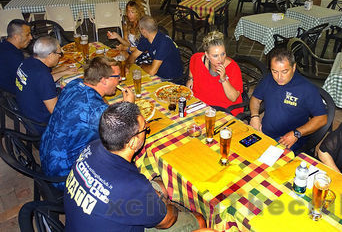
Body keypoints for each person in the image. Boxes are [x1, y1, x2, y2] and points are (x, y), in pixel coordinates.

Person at [64, 102, 206, 231]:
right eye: (145, 129)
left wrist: (151, 200)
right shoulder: (131, 185)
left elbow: (132, 192)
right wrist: (170, 207)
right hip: (125, 207)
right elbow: (166, 221)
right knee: (198, 220)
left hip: (88, 221)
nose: (146, 131)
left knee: (162, 186)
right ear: (132, 143)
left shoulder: (92, 147)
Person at [40, 56, 134, 189]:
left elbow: (95, 105)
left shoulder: (74, 84)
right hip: (64, 174)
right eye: (117, 76)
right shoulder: (95, 112)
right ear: (104, 80)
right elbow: (122, 132)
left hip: (46, 154)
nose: (120, 80)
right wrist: (127, 105)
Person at [249, 48, 327, 152]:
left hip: (288, 139)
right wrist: (254, 116)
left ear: (294, 67)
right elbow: (255, 98)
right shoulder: (269, 79)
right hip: (263, 132)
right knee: (240, 151)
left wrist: (297, 133)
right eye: (274, 71)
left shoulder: (307, 88)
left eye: (284, 71)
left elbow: (322, 118)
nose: (279, 77)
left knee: (264, 163)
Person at [15, 36, 76, 135]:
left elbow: (38, 83)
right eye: (59, 54)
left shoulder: (28, 61)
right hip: (40, 124)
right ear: (50, 55)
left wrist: (63, 72)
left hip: (26, 113)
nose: (60, 56)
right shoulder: (42, 76)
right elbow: (55, 111)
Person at [187, 31, 243, 115]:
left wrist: (224, 79)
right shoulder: (197, 59)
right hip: (201, 105)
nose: (220, 59)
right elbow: (193, 62)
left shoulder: (232, 68)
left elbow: (233, 98)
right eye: (215, 56)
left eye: (223, 54)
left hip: (225, 110)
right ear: (207, 55)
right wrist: (190, 79)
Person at [129, 16, 183, 82]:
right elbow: (134, 55)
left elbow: (152, 71)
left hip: (171, 79)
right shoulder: (146, 38)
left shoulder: (164, 42)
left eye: (139, 29)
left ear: (143, 31)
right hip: (158, 73)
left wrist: (141, 66)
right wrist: (128, 67)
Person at [0, 19, 32, 93]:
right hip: (14, 96)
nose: (31, 37)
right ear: (16, 37)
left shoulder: (4, 46)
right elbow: (30, 80)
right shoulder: (12, 56)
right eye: (27, 34)